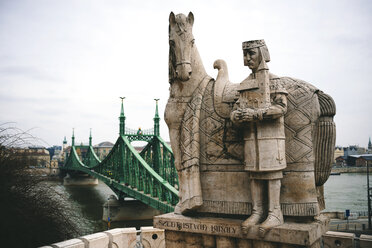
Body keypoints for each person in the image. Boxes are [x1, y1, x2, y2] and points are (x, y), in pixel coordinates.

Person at [230, 39, 288, 235]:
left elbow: (281, 107)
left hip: (271, 138)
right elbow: (236, 109)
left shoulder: (274, 80)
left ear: (262, 54)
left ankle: (275, 212)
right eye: (245, 54)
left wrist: (257, 114)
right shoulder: (245, 84)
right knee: (254, 174)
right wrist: (236, 115)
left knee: (272, 174)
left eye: (251, 53)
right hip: (251, 138)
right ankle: (257, 211)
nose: (247, 58)